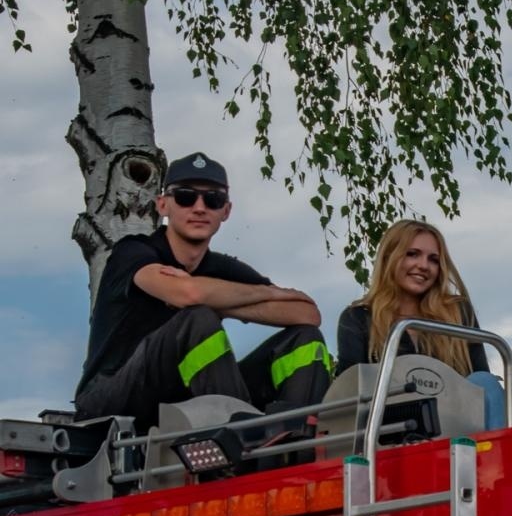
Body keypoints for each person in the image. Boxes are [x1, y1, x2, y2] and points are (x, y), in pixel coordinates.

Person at [74, 151, 332, 430]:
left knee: (305, 340)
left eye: (213, 199)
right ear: (162, 205)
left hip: (186, 401)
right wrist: (251, 295)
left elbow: (308, 314)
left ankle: (295, 441)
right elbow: (188, 294)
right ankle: (241, 437)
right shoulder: (133, 252)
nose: (199, 207)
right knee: (196, 319)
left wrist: (235, 300)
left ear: (226, 211)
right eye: (185, 196)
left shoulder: (222, 268)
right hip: (109, 401)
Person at [336, 220, 506, 427]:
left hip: (455, 423)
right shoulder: (357, 318)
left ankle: (498, 448)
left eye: (433, 260)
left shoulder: (457, 312)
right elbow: (349, 392)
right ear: (389, 256)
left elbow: (481, 385)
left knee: (485, 382)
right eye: (412, 254)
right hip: (391, 426)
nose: (424, 266)